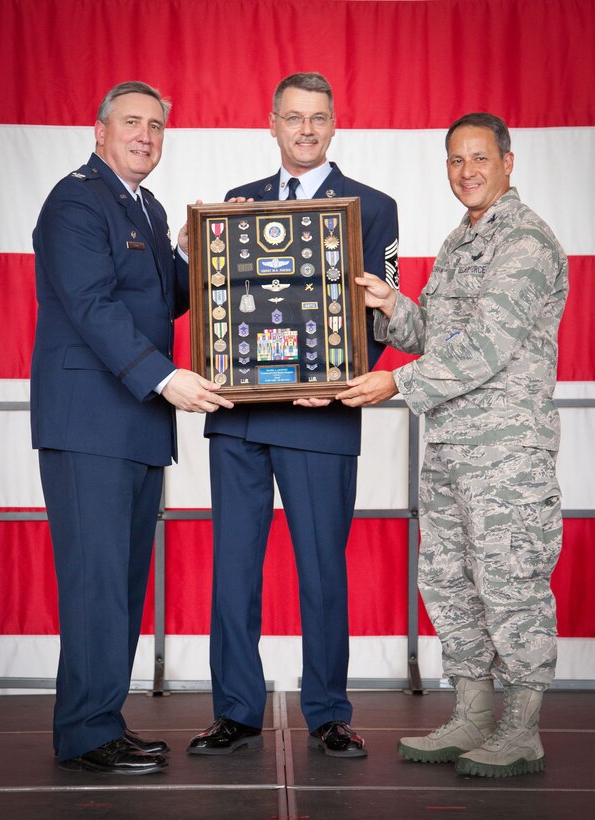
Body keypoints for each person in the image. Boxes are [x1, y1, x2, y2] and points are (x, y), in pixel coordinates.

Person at [337, 112, 568, 777]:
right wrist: (391, 306)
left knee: (511, 586)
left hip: (506, 457)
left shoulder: (524, 243)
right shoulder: (457, 241)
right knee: (449, 581)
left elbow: (488, 346)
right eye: (455, 161)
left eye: (480, 159)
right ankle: (470, 714)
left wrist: (392, 384)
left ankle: (521, 729)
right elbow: (434, 336)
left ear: (507, 162)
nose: (467, 172)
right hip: (448, 450)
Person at [186, 72, 399, 758]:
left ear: (335, 124)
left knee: (321, 572)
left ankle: (330, 712)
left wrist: (336, 378)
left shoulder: (372, 206)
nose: (305, 129)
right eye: (293, 118)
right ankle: (236, 711)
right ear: (272, 123)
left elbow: (383, 315)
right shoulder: (235, 206)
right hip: (240, 417)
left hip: (321, 417)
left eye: (318, 118)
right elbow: (218, 309)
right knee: (234, 571)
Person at [31, 81, 232, 774]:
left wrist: (197, 250)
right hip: (90, 422)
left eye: (155, 126)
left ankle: (101, 720)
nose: (144, 135)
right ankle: (86, 732)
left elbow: (162, 298)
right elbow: (92, 307)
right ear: (99, 130)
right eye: (131, 123)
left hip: (133, 425)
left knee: (120, 583)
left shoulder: (143, 205)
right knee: (95, 581)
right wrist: (165, 377)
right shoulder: (75, 200)